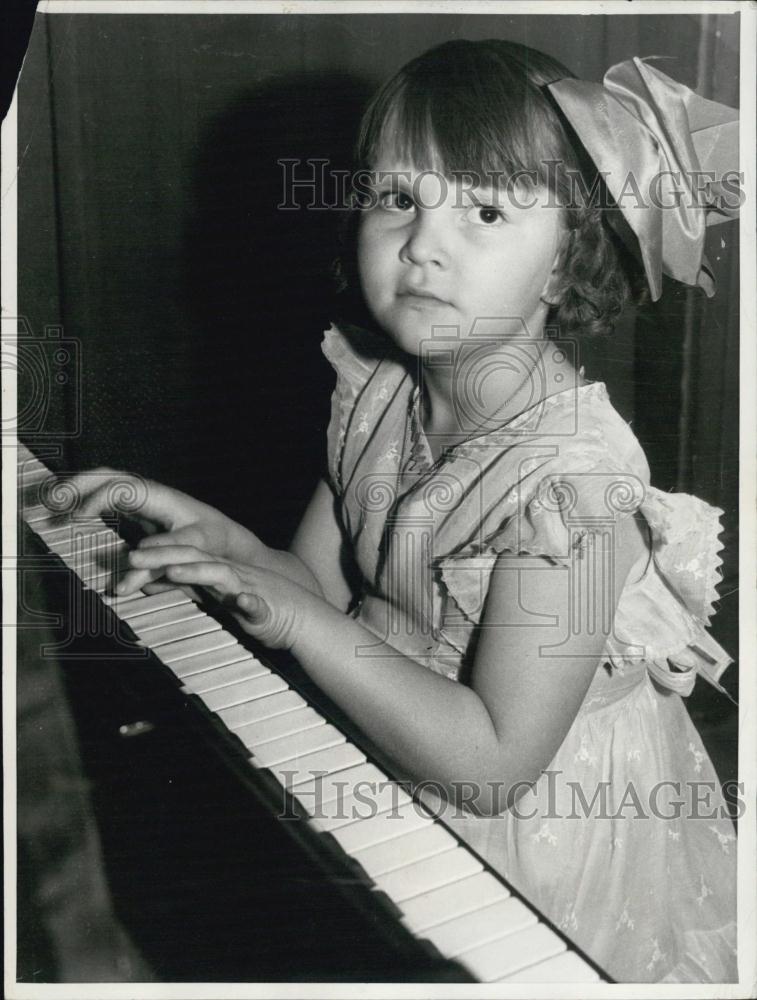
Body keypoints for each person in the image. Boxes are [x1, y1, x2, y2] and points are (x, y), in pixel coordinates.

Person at [69, 40, 739, 983]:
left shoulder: (576, 493)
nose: (422, 243)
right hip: (393, 748)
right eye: (396, 197)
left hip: (533, 836)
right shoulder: (380, 389)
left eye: (485, 210)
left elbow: (493, 766)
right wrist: (224, 542)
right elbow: (317, 587)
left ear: (565, 261)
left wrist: (299, 620)